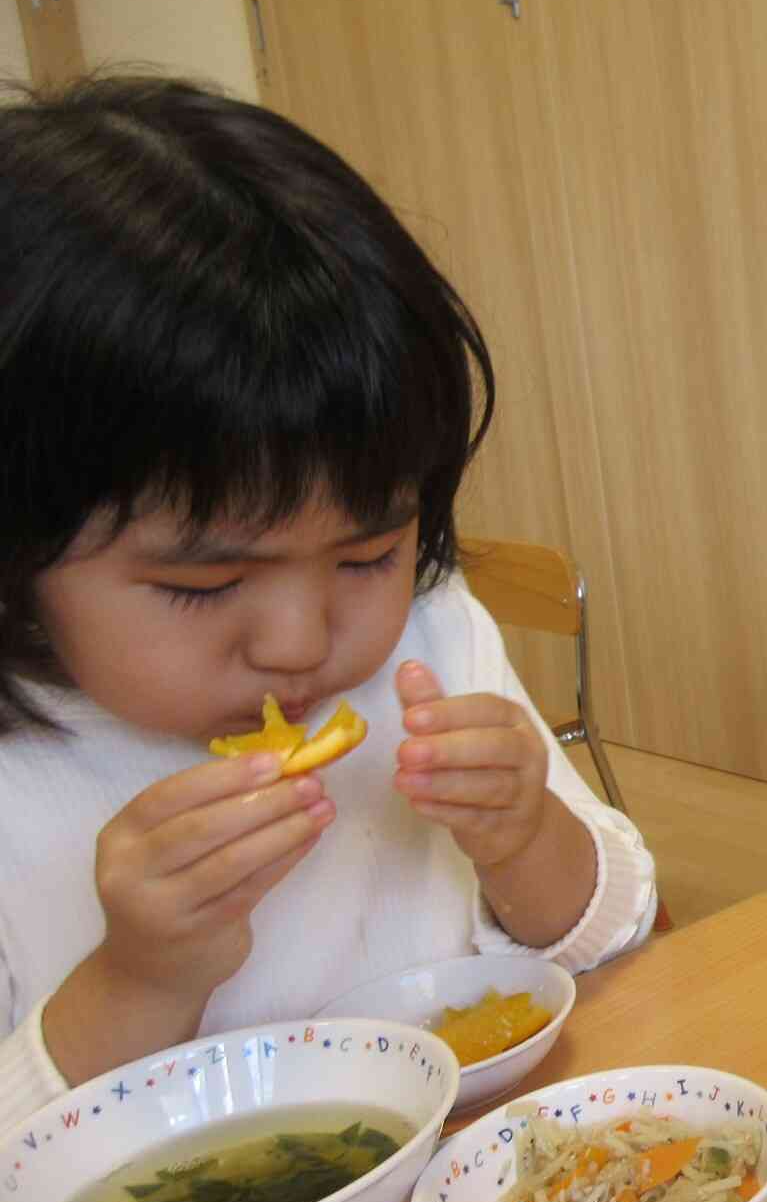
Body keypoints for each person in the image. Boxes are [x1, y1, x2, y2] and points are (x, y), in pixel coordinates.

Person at [0, 77, 657, 1128]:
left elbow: (615, 923)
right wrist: (141, 976)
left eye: (367, 556)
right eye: (201, 585)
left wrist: (524, 832)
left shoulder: (433, 639)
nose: (302, 642)